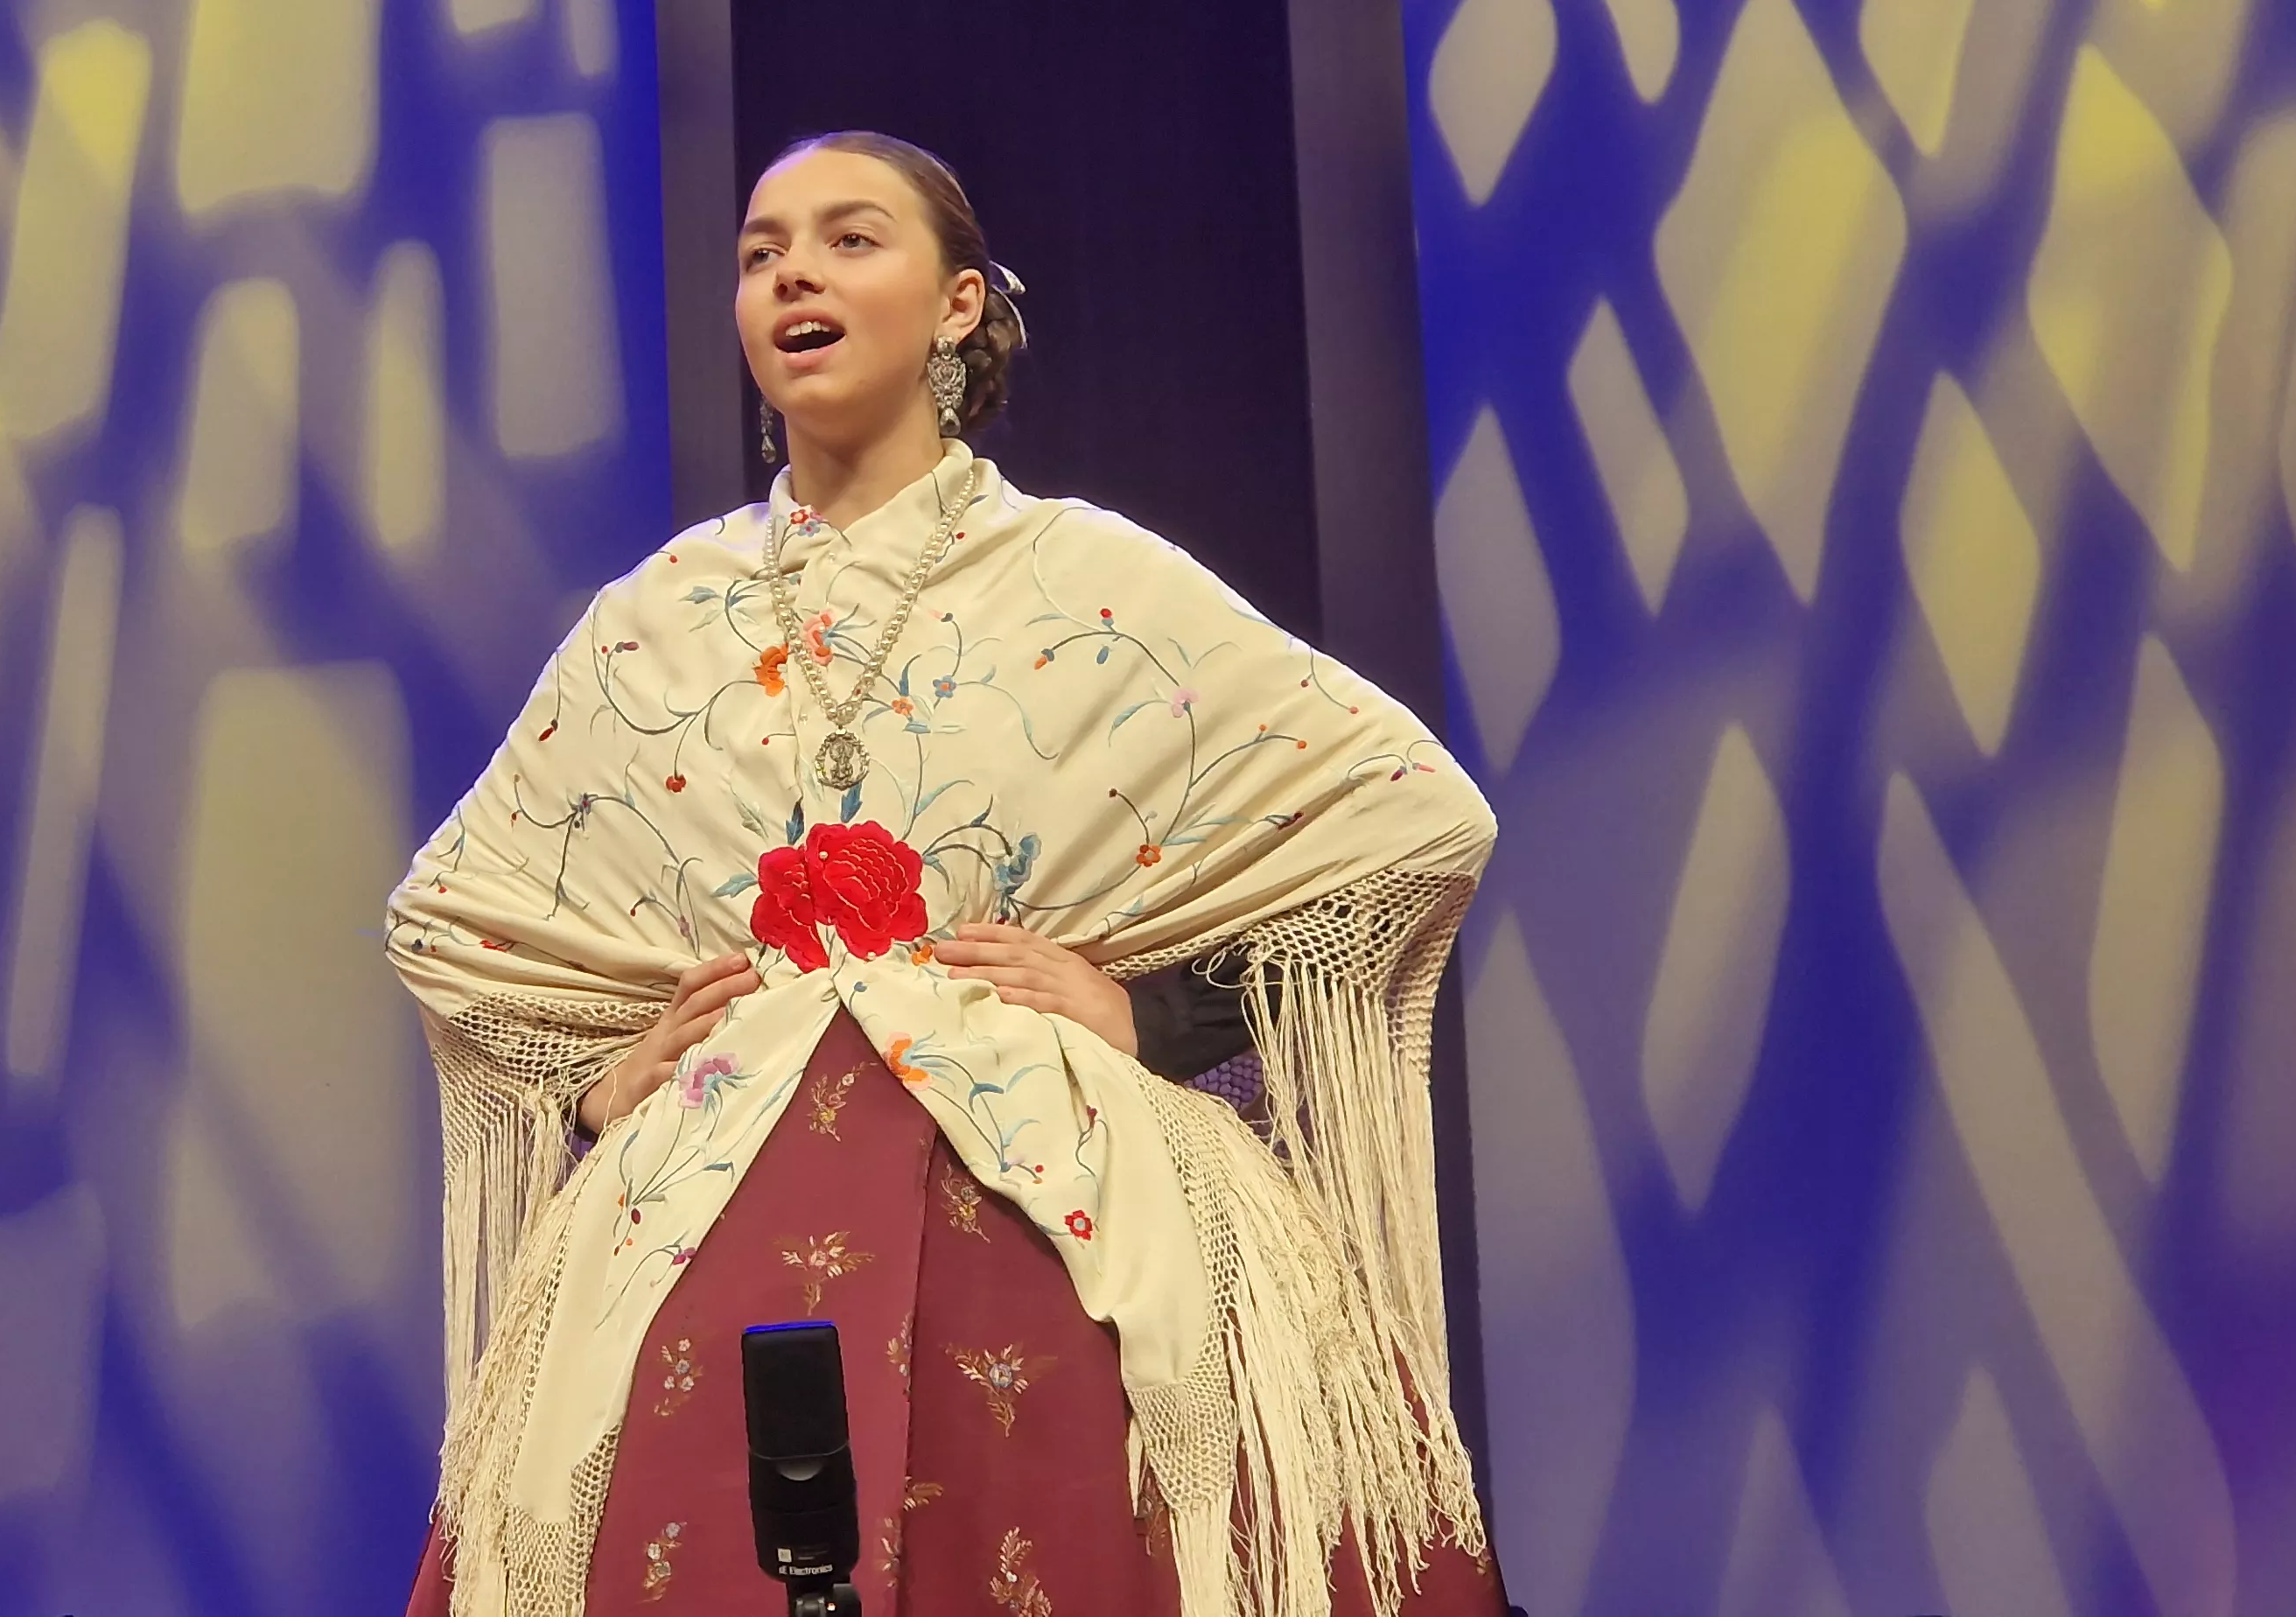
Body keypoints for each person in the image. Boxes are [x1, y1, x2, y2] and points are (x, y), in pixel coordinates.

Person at [388, 131, 1505, 1616]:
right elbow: (460, 926)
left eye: (851, 239)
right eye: (761, 250)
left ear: (960, 306)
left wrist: (1150, 1014)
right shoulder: (655, 619)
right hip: (714, 1204)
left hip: (1050, 1212)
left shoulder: (1082, 576)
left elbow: (1409, 819)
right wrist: (594, 1084)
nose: (793, 270)